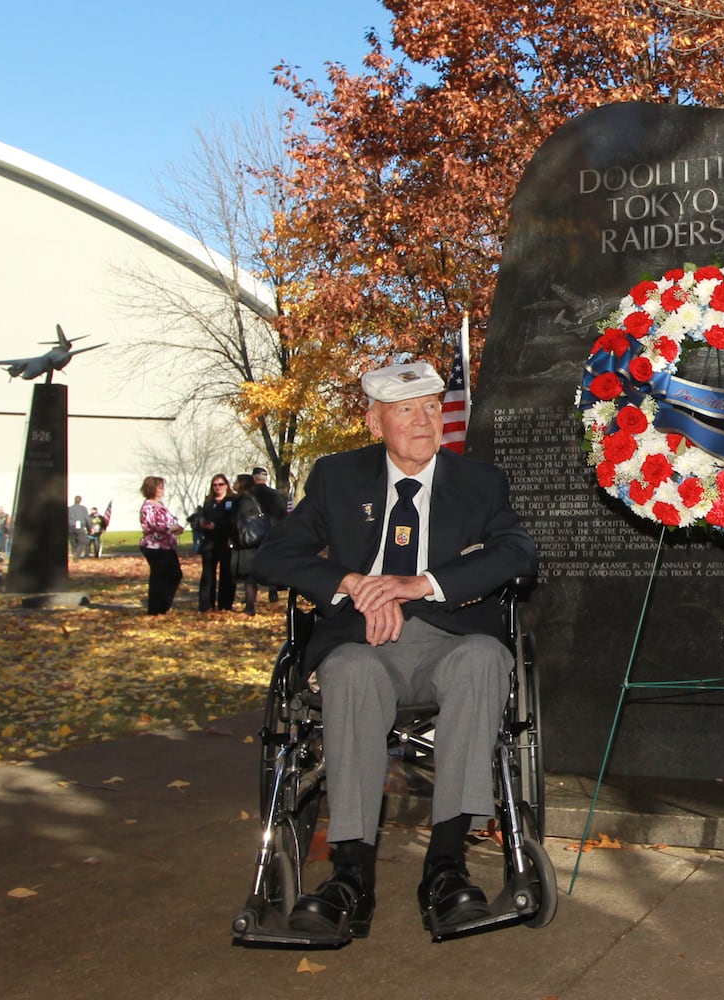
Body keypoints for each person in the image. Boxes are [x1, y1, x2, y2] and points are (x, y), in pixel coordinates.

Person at [254, 360, 539, 943]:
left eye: (432, 407)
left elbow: (518, 553)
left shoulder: (480, 483)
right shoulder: (338, 477)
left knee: (487, 659)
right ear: (374, 419)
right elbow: (276, 555)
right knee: (353, 672)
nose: (423, 420)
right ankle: (350, 873)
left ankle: (445, 866)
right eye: (405, 409)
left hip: (450, 639)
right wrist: (354, 583)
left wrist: (422, 583)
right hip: (361, 641)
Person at [138, 477, 185, 614]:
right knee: (159, 576)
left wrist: (177, 527)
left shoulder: (160, 504)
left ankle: (163, 605)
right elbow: (155, 525)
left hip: (167, 545)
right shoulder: (148, 506)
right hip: (154, 546)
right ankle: (155, 608)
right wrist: (172, 529)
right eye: (159, 487)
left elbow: (169, 520)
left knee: (175, 574)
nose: (162, 490)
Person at [195, 475, 236, 612]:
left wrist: (217, 526)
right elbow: (201, 518)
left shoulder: (232, 500)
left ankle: (225, 605)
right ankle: (206, 605)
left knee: (227, 575)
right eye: (215, 485)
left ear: (226, 485)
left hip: (225, 542)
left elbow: (233, 521)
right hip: (209, 543)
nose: (218, 487)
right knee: (208, 575)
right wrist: (202, 523)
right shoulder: (208, 502)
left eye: (221, 484)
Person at [249, 466, 287, 603]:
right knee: (271, 562)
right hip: (272, 531)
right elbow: (283, 514)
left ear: (254, 478)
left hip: (253, 534)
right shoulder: (274, 494)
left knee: (251, 564)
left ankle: (250, 596)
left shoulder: (250, 495)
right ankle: (273, 590)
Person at [229, 473, 264, 615]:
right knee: (250, 576)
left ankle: (250, 607)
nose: (234, 484)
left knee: (248, 576)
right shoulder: (253, 498)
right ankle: (249, 604)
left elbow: (239, 520)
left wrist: (233, 535)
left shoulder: (244, 500)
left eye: (236, 481)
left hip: (246, 541)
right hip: (252, 540)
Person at [67, 496, 90, 560]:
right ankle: (76, 555)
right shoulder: (83, 508)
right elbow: (87, 519)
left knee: (73, 542)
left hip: (70, 527)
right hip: (79, 526)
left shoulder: (69, 509)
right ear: (80, 501)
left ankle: (74, 553)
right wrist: (89, 528)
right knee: (83, 541)